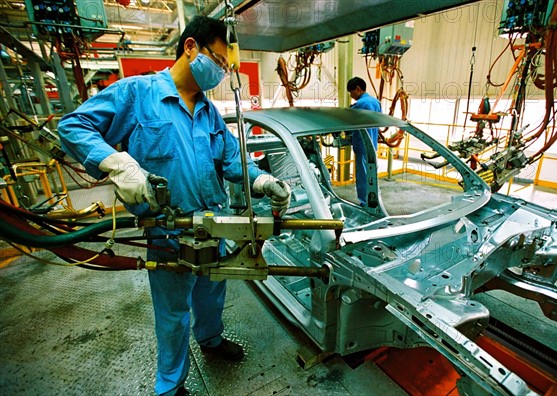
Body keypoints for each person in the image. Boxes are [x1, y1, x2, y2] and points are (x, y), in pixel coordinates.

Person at [57, 16, 290, 396]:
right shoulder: (138, 94)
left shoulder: (210, 112)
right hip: (168, 231)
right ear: (191, 47)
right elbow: (73, 126)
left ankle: (211, 339)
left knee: (213, 293)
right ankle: (169, 385)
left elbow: (232, 161)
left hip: (214, 224)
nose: (221, 72)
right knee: (172, 315)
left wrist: (263, 180)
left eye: (226, 67)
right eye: (218, 61)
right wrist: (116, 163)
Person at [346, 76, 382, 206]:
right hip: (373, 145)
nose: (351, 95)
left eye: (351, 92)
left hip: (362, 145)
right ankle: (374, 199)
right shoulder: (376, 102)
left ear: (358, 89)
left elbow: (346, 120)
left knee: (363, 176)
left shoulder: (359, 105)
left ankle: (364, 202)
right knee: (372, 174)